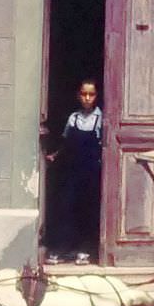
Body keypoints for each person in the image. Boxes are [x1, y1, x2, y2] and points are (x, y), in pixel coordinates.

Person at [45, 78, 103, 265]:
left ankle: (84, 250)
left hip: (91, 173)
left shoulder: (100, 119)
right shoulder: (74, 118)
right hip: (72, 171)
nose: (87, 98)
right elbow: (66, 143)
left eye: (91, 94)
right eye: (84, 94)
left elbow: (104, 145)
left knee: (87, 210)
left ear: (96, 96)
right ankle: (63, 249)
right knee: (67, 208)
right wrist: (54, 155)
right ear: (78, 96)